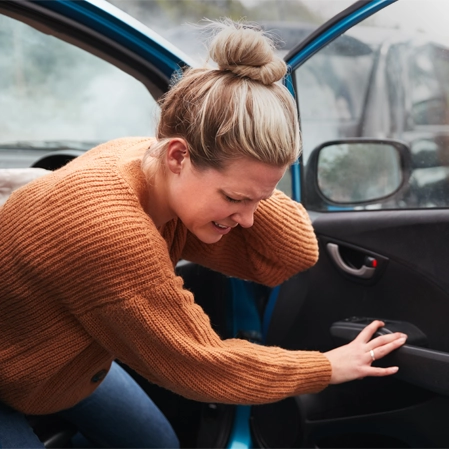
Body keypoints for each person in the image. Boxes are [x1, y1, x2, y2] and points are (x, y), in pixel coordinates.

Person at [0, 19, 406, 449]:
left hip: (58, 360)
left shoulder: (146, 158)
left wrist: (250, 186)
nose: (249, 219)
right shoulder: (113, 233)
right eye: (234, 198)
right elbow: (203, 365)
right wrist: (327, 368)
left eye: (261, 200)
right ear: (178, 155)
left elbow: (292, 252)